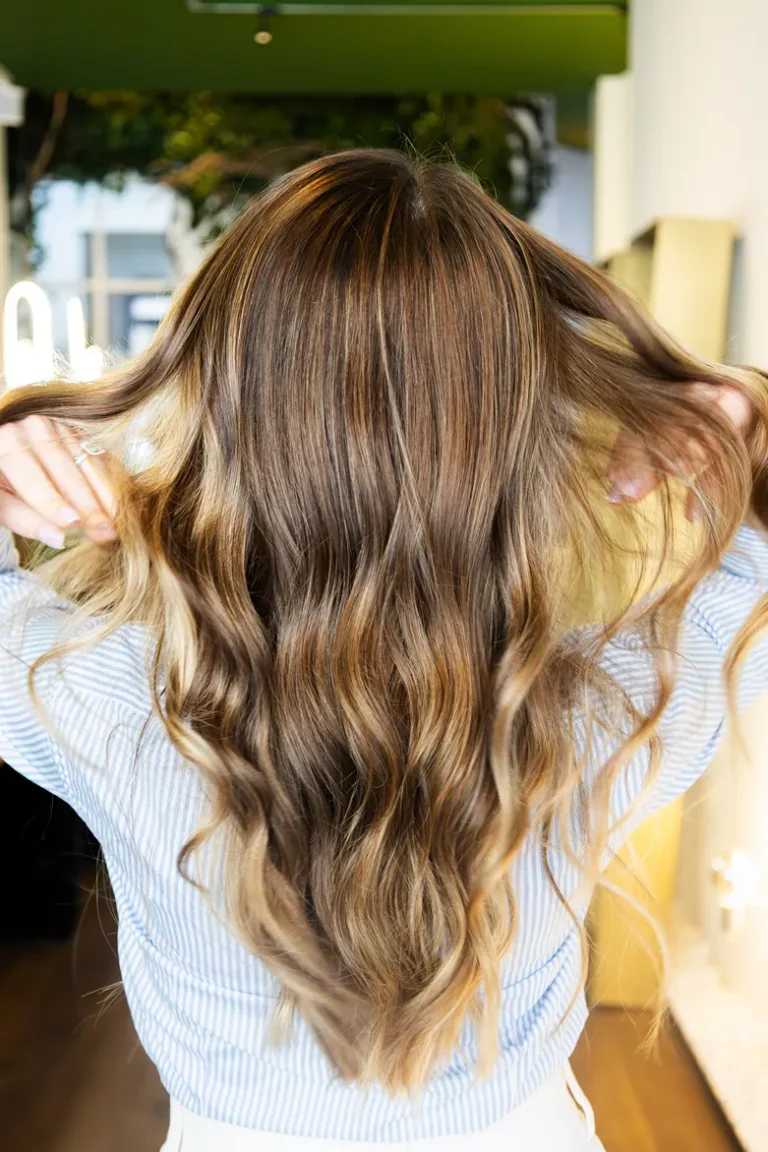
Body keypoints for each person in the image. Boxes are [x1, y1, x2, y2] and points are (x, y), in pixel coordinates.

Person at [0, 149, 766, 1152]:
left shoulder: (100, 694)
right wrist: (747, 420)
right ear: (522, 436)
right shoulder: (614, 707)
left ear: (218, 410)